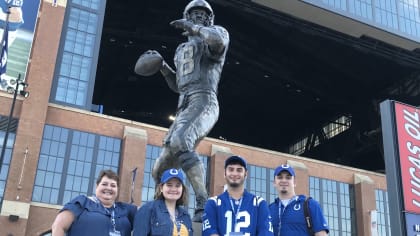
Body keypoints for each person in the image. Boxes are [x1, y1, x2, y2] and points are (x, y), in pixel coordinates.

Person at [147, 0, 230, 222]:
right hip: (184, 105)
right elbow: (178, 84)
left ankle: (203, 202)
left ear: (210, 19)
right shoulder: (181, 49)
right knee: (159, 169)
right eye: (194, 14)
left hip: (204, 100)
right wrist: (163, 68)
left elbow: (218, 43)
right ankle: (167, 209)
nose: (198, 18)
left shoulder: (217, 33)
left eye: (203, 15)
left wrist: (195, 28)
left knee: (182, 140)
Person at [202, 155, 274, 236]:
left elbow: (266, 232)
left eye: (239, 170)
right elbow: (209, 232)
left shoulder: (259, 203)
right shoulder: (213, 203)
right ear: (224, 173)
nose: (235, 173)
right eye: (231, 169)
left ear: (246, 174)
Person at [51, 169, 137, 236]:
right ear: (97, 186)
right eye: (104, 184)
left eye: (113, 185)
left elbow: (147, 213)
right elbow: (58, 226)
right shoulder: (83, 202)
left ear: (117, 189)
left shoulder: (126, 209)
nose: (109, 188)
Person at [269, 164, 329, 236]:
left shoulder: (310, 205)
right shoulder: (268, 210)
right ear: (274, 183)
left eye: (288, 178)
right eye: (280, 177)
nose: (284, 180)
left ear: (294, 182)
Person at [133, 168, 193, 236]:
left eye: (177, 185)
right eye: (169, 185)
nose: (173, 189)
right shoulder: (148, 210)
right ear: (161, 188)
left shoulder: (186, 216)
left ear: (182, 189)